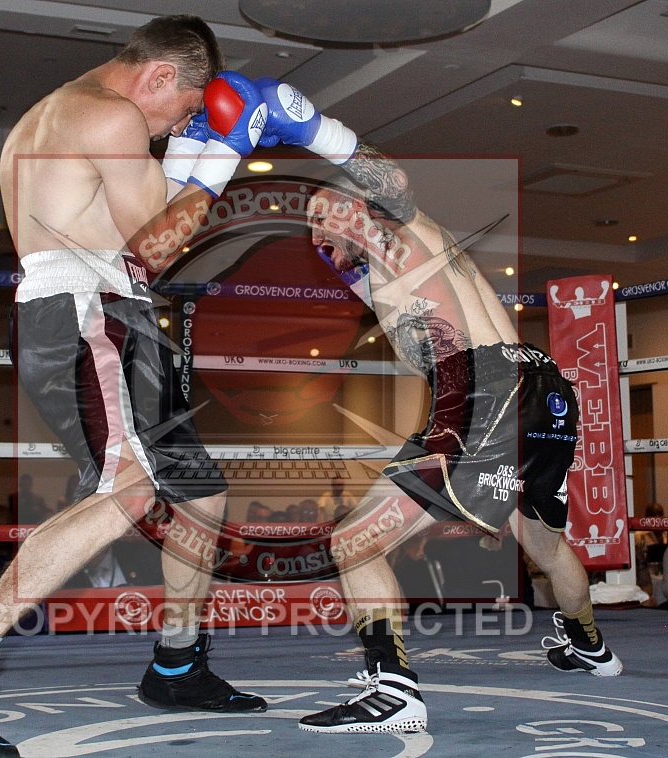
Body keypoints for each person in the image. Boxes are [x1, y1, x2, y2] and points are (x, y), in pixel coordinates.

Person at [0, 15, 269, 757]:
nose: (181, 123)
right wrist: (222, 152)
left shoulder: (54, 113)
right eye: (186, 108)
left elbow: (133, 222)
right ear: (160, 75)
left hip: (96, 310)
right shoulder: (113, 115)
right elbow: (155, 247)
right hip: (87, 314)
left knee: (199, 494)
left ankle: (177, 664)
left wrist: (192, 150)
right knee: (127, 491)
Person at [254, 78, 622, 733]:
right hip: (540, 391)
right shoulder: (391, 262)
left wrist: (315, 131)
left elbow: (390, 184)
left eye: (324, 216)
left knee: (353, 540)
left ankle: (394, 691)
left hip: (487, 394)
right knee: (541, 538)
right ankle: (590, 647)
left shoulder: (398, 225)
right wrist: (342, 257)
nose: (316, 232)